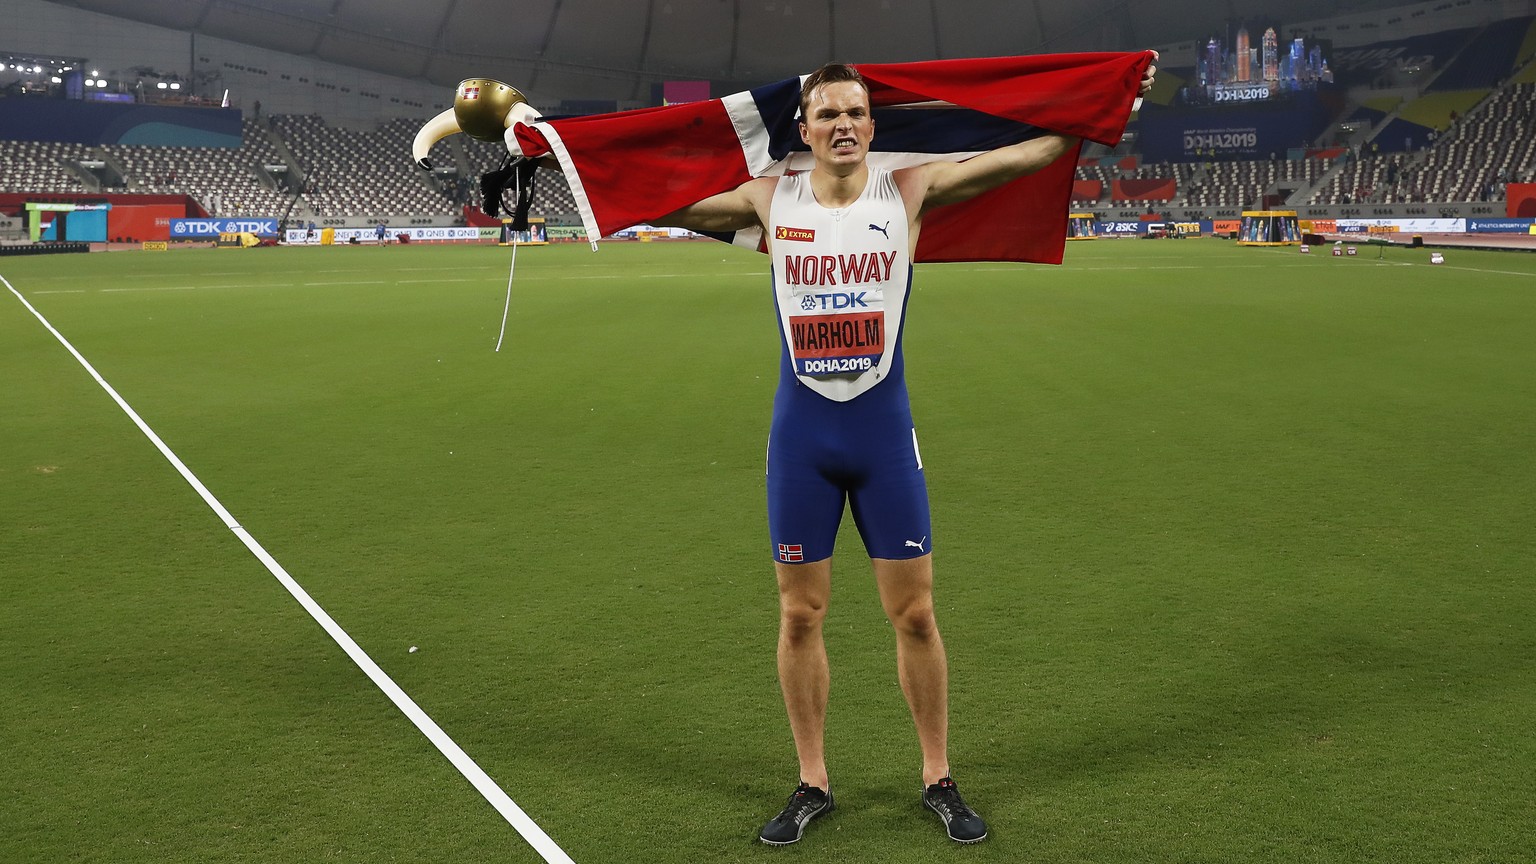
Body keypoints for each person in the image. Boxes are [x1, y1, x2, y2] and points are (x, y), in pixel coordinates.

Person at [653, 56, 1156, 846]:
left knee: (916, 616)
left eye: (855, 113)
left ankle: (939, 778)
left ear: (872, 126)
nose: (843, 125)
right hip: (802, 441)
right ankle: (811, 781)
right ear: (805, 128)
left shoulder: (910, 188)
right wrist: (561, 156)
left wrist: (1109, 98)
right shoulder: (768, 196)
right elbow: (665, 201)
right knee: (799, 615)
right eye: (828, 115)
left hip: (883, 437)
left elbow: (1031, 153)